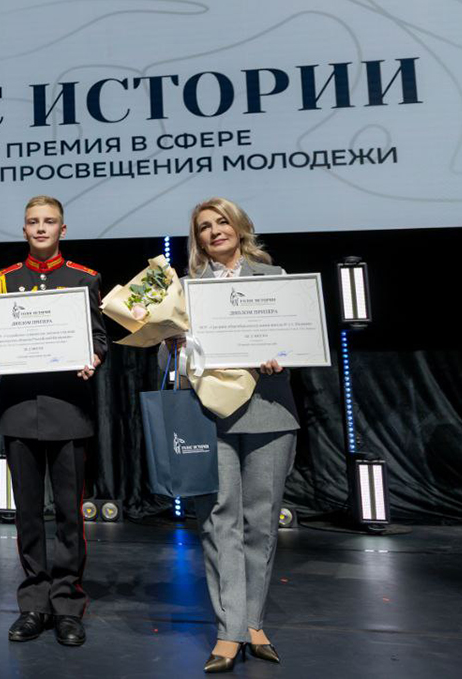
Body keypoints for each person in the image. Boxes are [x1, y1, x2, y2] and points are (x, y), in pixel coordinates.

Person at [161, 198, 298, 673]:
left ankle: (253, 623)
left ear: (240, 228)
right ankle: (229, 629)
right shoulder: (186, 289)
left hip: (269, 411)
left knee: (261, 522)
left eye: (222, 222)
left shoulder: (274, 278)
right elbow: (167, 361)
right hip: (208, 415)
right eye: (204, 226)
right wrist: (174, 346)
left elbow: (295, 337)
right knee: (219, 521)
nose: (215, 231)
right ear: (197, 238)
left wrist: (283, 352)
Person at [0, 196, 108, 647]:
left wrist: (93, 356)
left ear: (62, 230)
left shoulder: (84, 278)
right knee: (27, 515)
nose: (41, 228)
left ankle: (67, 604)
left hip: (69, 410)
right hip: (18, 410)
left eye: (49, 221)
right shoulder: (4, 279)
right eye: (33, 221)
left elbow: (100, 338)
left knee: (69, 515)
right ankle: (34, 603)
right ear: (24, 229)